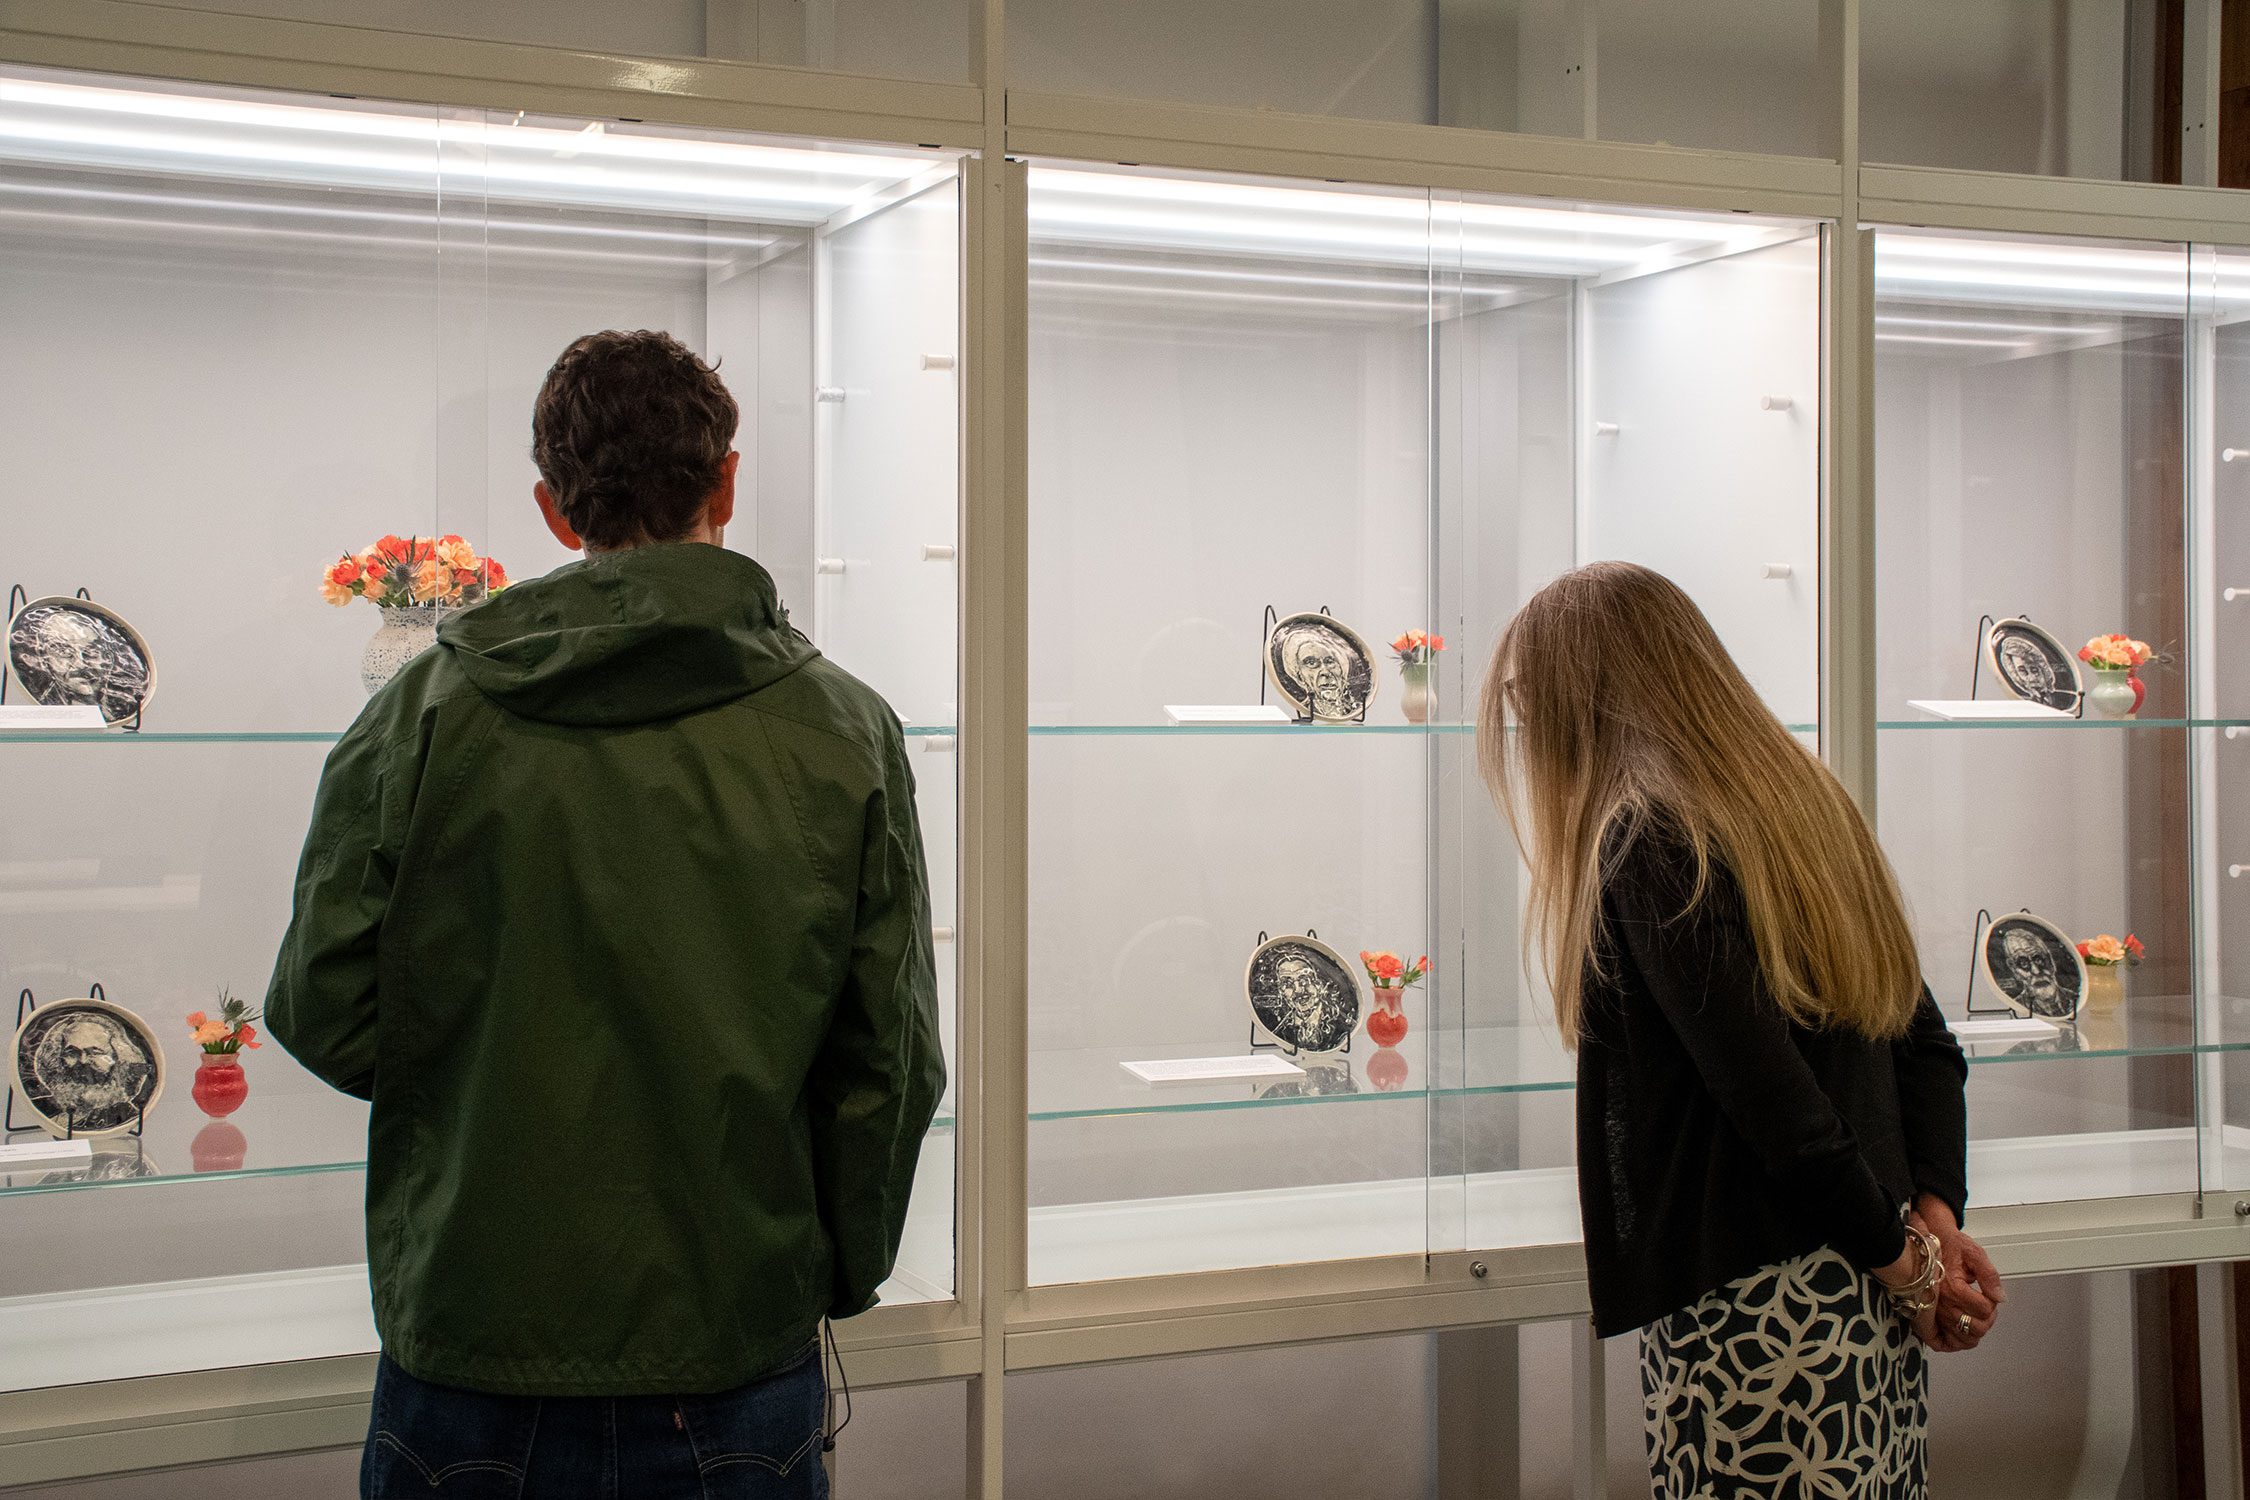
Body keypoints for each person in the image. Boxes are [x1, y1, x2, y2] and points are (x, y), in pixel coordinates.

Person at [267, 329, 945, 1499]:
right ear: (727, 481)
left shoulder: (421, 714)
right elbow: (889, 1060)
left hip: (471, 1334)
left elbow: (323, 1005)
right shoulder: (843, 731)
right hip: (731, 1341)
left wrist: (492, 1089)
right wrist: (824, 1265)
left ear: (550, 507)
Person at [1477, 561, 2002, 1500]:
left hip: (1761, 1308)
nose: (1526, 731)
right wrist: (1931, 1224)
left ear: (1581, 697)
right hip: (1865, 1287)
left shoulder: (1648, 837)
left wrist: (1912, 1266)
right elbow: (1923, 1042)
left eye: (1528, 700)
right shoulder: (1807, 810)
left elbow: (1778, 1110)